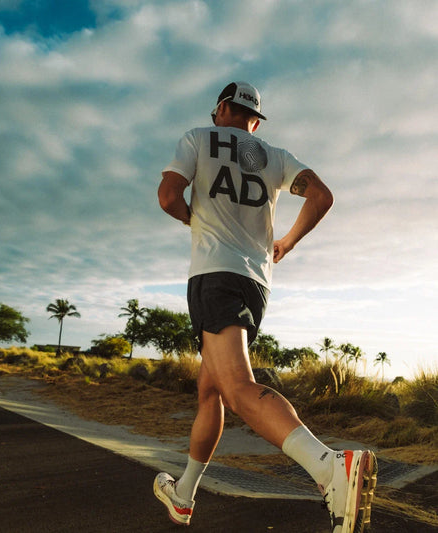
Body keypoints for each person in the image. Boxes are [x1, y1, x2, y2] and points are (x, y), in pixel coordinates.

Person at [154, 81, 377, 533]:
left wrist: (191, 218)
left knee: (236, 388)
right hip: (255, 283)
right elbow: (322, 197)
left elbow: (167, 196)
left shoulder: (199, 137)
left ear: (221, 110)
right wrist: (286, 243)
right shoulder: (274, 154)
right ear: (254, 120)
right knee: (210, 389)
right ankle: (183, 495)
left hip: (214, 276)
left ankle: (329, 467)